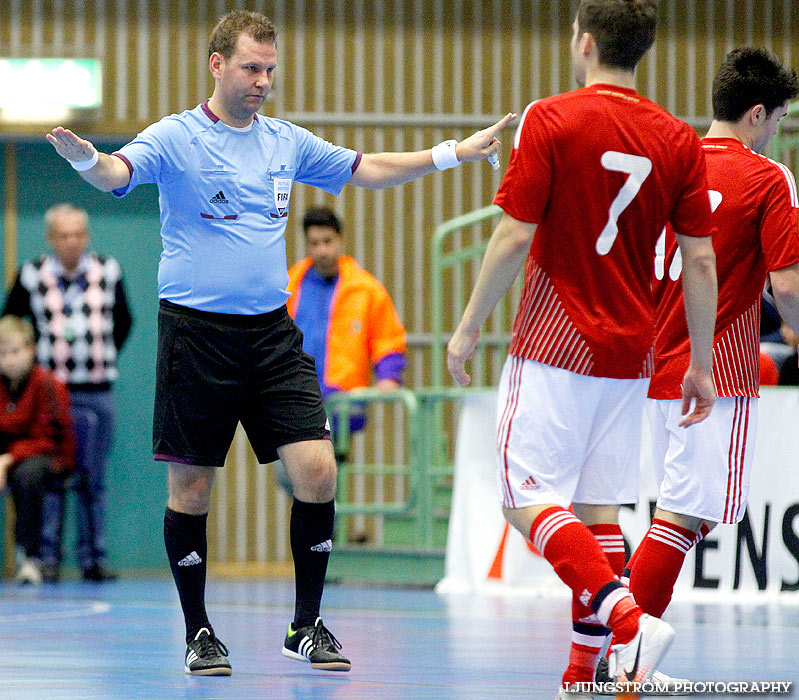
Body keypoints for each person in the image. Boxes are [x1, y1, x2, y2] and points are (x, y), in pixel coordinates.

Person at [45, 9, 513, 677]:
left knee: (318, 471)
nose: (263, 80)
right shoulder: (176, 137)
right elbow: (117, 174)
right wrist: (86, 159)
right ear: (217, 64)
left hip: (270, 336)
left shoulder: (284, 142)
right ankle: (199, 632)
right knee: (192, 489)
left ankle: (306, 623)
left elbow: (370, 168)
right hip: (196, 334)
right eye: (250, 68)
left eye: (269, 69)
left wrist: (451, 154)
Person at [446, 2, 718, 697]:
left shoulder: (551, 117)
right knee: (598, 514)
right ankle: (580, 677)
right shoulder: (677, 141)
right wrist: (697, 362)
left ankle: (626, 619)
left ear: (584, 42)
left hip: (553, 343)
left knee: (522, 498)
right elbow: (698, 262)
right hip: (632, 352)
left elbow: (510, 236)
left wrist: (469, 324)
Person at [607, 47, 799, 681]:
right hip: (710, 367)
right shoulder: (768, 177)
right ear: (756, 113)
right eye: (778, 118)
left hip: (646, 362)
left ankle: (618, 655)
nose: (777, 131)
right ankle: (622, 660)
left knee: (671, 513)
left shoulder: (665, 160)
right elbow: (788, 284)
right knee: (682, 515)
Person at [3, 203, 133, 583]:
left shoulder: (108, 270)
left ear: (86, 236)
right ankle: (47, 560)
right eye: (63, 235)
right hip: (48, 393)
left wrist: (98, 355)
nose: (71, 242)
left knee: (93, 478)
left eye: (78, 234)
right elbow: (10, 319)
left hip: (97, 390)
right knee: (51, 477)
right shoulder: (31, 274)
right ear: (51, 239)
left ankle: (94, 559)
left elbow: (124, 321)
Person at [287, 206, 406, 460]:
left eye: (327, 241)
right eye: (314, 243)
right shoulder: (290, 285)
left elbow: (387, 337)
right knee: (294, 471)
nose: (321, 250)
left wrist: (389, 377)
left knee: (319, 468)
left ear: (341, 239)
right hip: (296, 395)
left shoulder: (365, 289)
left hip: (342, 401)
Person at [0, 316, 75, 585]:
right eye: (2, 353)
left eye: (15, 351)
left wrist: (8, 459)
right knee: (21, 470)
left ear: (31, 350)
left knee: (27, 474)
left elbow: (49, 439)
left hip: (50, 459)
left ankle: (31, 557)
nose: (8, 359)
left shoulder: (48, 384)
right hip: (10, 460)